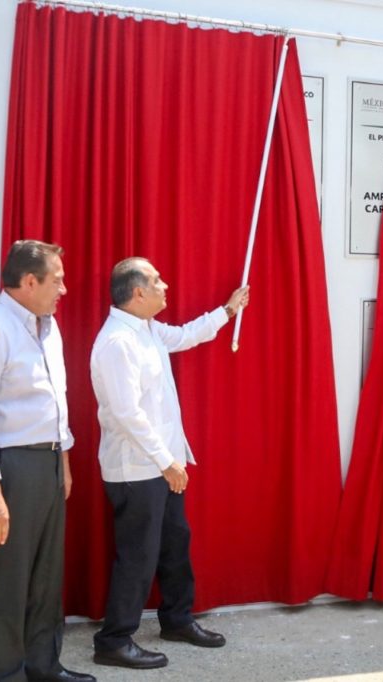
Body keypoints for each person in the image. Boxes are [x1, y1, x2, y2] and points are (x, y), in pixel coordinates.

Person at [90, 258, 249, 669]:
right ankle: (114, 639)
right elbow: (127, 414)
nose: (166, 285)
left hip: (163, 465)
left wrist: (227, 311)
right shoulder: (117, 342)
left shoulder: (147, 330)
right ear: (138, 292)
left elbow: (184, 336)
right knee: (138, 555)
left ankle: (176, 619)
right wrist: (166, 462)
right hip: (138, 470)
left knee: (175, 543)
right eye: (157, 281)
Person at [0, 240, 94, 682]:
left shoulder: (47, 327)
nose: (64, 289)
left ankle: (44, 666)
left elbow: (57, 402)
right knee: (9, 581)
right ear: (29, 281)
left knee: (45, 576)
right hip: (10, 469)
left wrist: (64, 462)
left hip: (48, 464)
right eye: (57, 279)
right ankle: (9, 673)